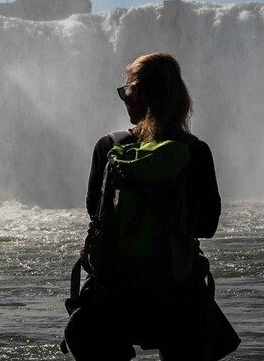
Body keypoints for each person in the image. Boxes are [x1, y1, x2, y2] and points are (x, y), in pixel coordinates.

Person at [64, 52, 222, 360]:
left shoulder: (109, 147)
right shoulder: (195, 152)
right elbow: (208, 226)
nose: (123, 99)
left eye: (126, 91)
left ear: (142, 94)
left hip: (113, 295)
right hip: (176, 292)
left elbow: (95, 213)